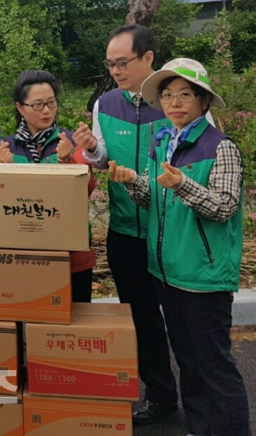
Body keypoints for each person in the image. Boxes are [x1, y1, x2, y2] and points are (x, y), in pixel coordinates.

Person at [110, 58, 250, 436]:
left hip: (202, 275)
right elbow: (152, 199)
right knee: (188, 361)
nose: (174, 103)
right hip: (167, 271)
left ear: (203, 101)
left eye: (185, 95)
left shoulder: (220, 147)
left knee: (214, 365)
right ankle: (200, 428)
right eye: (168, 95)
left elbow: (224, 207)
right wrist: (131, 181)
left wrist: (182, 185)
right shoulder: (163, 142)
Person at [73, 25, 178, 424]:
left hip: (173, 232)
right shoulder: (106, 103)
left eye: (122, 62)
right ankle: (160, 397)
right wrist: (92, 149)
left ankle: (204, 402)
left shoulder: (176, 98)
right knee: (141, 317)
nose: (115, 71)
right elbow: (102, 160)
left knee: (184, 321)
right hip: (125, 230)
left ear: (148, 58)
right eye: (110, 64)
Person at [0, 70, 95, 302]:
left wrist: (67, 162)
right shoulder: (7, 148)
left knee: (77, 316)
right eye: (38, 105)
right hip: (24, 252)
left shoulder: (70, 142)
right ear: (20, 108)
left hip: (71, 252)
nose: (47, 110)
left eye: (51, 103)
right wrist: (3, 170)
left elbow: (87, 189)